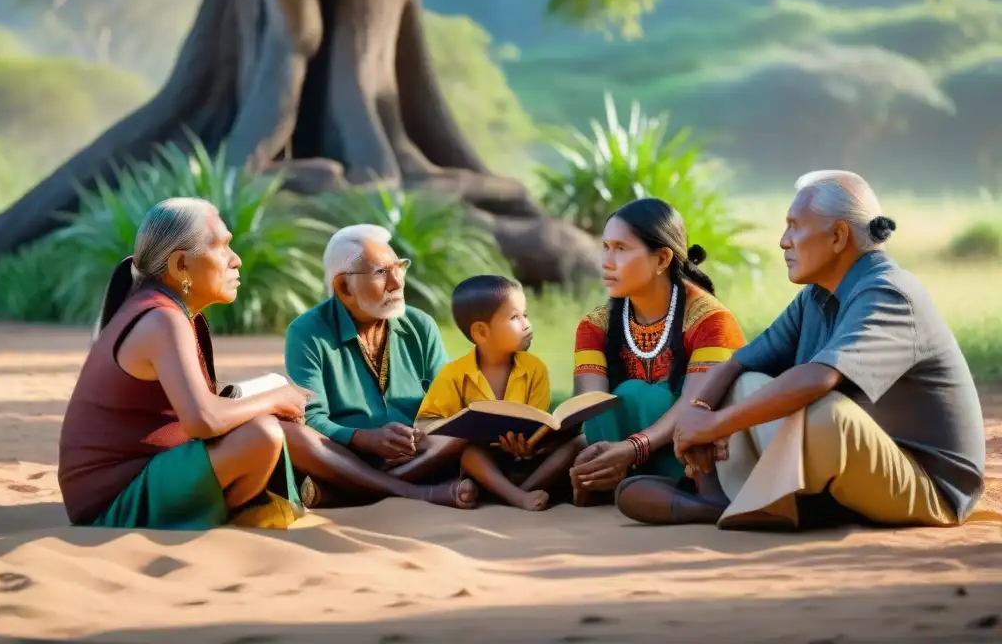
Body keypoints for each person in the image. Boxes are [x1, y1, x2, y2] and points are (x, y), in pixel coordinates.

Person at [618, 170, 987, 530]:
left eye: (794, 226)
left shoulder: (888, 292)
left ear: (839, 236)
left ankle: (749, 506)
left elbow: (818, 378)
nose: (783, 241)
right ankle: (727, 498)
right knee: (747, 383)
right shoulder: (816, 295)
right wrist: (698, 414)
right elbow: (736, 363)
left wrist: (714, 424)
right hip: (850, 469)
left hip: (927, 487)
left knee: (829, 415)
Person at [58, 198, 309, 530]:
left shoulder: (166, 311)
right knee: (261, 435)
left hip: (142, 477)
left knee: (271, 424)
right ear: (180, 267)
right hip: (113, 503)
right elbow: (203, 420)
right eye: (222, 248)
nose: (236, 261)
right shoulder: (162, 319)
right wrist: (277, 398)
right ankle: (233, 516)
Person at [567, 198, 748, 505]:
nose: (607, 261)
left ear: (663, 259)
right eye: (605, 247)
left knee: (642, 395)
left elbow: (696, 406)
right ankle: (611, 479)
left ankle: (679, 493)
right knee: (611, 402)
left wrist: (633, 448)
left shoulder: (712, 320)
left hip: (693, 456)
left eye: (621, 249)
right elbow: (591, 408)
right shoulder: (594, 326)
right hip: (618, 455)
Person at [283, 224, 477, 509]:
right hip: (347, 457)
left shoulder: (421, 326)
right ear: (343, 287)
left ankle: (353, 492)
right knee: (298, 437)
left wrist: (422, 433)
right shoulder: (306, 332)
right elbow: (311, 418)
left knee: (465, 428)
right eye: (381, 272)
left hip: (418, 453)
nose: (397, 282)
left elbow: (446, 401)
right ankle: (415, 491)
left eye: (399, 267)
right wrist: (362, 438)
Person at [414, 276, 586, 511]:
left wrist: (530, 445)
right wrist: (460, 430)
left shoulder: (534, 369)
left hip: (525, 462)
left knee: (579, 442)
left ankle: (509, 493)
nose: (526, 324)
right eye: (515, 317)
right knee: (468, 450)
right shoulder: (454, 374)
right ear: (481, 332)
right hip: (479, 464)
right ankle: (516, 496)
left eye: (525, 314)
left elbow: (538, 423)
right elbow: (423, 424)